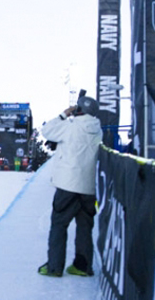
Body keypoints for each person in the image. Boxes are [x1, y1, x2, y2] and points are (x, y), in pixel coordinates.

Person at [38, 96, 102, 278]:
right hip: (88, 187)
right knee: (85, 227)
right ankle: (82, 266)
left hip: (67, 185)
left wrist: (63, 114)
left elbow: (47, 131)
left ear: (78, 110)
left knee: (59, 225)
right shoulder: (98, 130)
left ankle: (54, 267)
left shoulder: (70, 126)